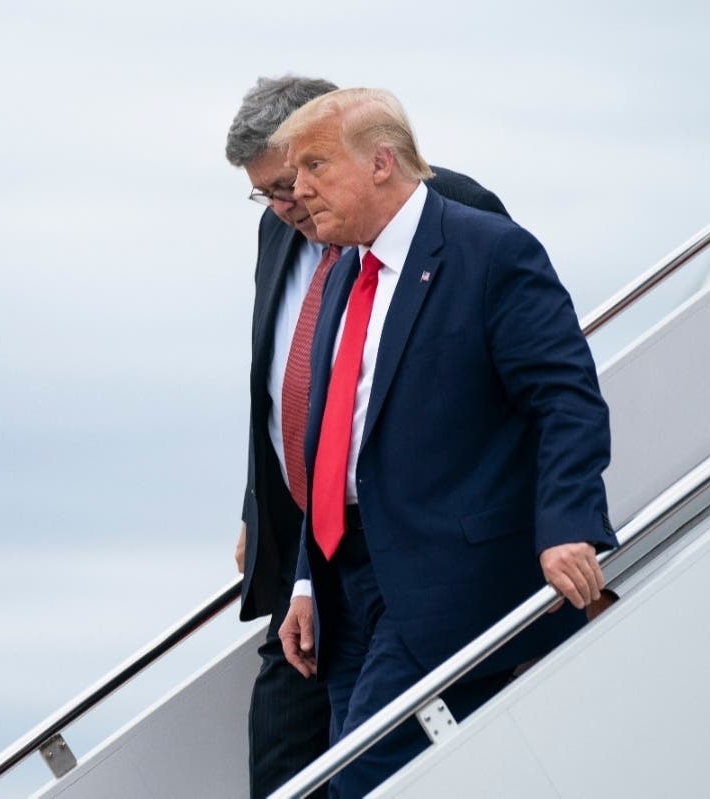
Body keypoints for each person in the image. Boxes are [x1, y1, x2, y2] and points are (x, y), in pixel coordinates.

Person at [271, 88, 618, 797]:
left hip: (445, 576)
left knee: (361, 774)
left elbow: (565, 397)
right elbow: (340, 442)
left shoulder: (488, 249)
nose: (298, 188)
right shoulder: (344, 273)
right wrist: (307, 575)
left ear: (380, 162)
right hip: (347, 584)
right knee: (366, 769)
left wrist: (566, 526)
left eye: (314, 165)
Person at [224, 76, 510, 799]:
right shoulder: (279, 230)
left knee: (367, 766)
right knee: (284, 766)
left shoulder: (455, 213)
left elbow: (509, 393)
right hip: (313, 557)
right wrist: (261, 508)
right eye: (267, 193)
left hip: (414, 554)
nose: (289, 206)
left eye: (294, 180)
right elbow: (296, 381)